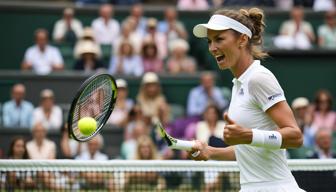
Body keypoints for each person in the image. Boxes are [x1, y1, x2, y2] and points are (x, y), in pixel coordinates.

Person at [190, 8, 304, 192]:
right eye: (209, 41)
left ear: (242, 39)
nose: (212, 48)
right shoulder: (239, 85)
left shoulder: (258, 78)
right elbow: (248, 151)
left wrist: (248, 135)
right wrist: (210, 152)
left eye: (219, 39)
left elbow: (295, 136)